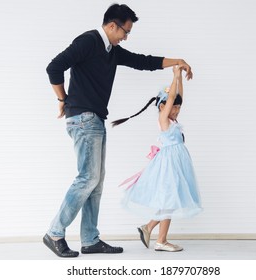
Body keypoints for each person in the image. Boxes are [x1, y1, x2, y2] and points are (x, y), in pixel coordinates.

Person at [43, 3, 193, 258]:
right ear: (112, 25)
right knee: (87, 179)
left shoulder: (111, 50)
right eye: (125, 31)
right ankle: (55, 232)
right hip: (83, 118)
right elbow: (54, 67)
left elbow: (142, 62)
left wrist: (175, 62)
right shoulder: (88, 41)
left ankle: (90, 239)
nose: (126, 36)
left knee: (96, 182)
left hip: (95, 119)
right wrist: (62, 99)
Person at [112, 66, 202, 252]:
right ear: (162, 106)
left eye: (178, 108)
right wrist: (175, 76)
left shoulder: (173, 119)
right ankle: (156, 235)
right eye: (173, 107)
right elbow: (171, 98)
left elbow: (179, 97)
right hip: (169, 165)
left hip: (177, 163)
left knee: (170, 199)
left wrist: (179, 80)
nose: (176, 110)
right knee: (169, 199)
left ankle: (155, 234)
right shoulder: (164, 119)